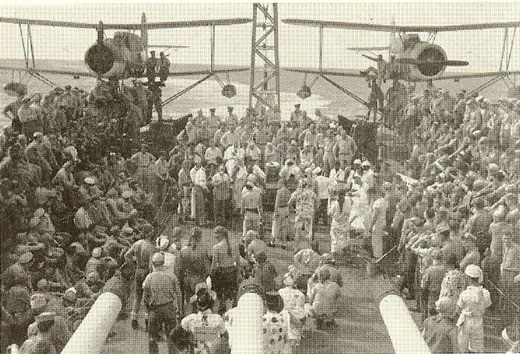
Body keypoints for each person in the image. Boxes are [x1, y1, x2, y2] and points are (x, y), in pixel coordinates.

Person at [143, 252, 182, 354]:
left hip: (155, 309)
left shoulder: (149, 278)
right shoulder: (171, 276)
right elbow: (179, 294)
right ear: (163, 262)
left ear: (153, 263)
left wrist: (148, 310)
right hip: (169, 307)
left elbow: (145, 298)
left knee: (152, 338)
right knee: (172, 337)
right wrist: (180, 309)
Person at [124, 228, 156, 330]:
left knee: (137, 297)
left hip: (138, 270)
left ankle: (134, 318)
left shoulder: (137, 243)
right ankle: (147, 321)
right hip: (146, 271)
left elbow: (126, 255)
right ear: (150, 235)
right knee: (147, 297)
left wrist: (133, 265)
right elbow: (151, 265)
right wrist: (151, 276)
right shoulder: (150, 247)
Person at [456, 264, 492, 353]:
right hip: (478, 321)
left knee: (461, 345)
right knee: (477, 347)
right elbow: (487, 307)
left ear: (468, 278)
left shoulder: (465, 293)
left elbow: (457, 310)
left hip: (465, 321)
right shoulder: (485, 293)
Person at [210, 226, 237, 314]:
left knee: (218, 298)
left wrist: (211, 274)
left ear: (220, 235)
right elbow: (238, 262)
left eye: (215, 234)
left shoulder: (216, 247)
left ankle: (214, 317)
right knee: (229, 299)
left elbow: (214, 264)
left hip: (222, 274)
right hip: (232, 273)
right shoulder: (234, 245)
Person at [278, 272, 306, 350]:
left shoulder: (280, 292)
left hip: (284, 318)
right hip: (296, 319)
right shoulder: (301, 294)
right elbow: (301, 312)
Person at [328, 189, 352, 261]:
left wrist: (329, 202)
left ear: (337, 195)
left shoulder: (335, 203)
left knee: (335, 240)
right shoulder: (347, 202)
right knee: (345, 241)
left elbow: (329, 213)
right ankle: (348, 259)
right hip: (345, 224)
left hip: (336, 224)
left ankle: (334, 259)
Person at [271, 179, 292, 248]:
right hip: (286, 209)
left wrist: (275, 212)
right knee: (284, 227)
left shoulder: (279, 192)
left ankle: (273, 241)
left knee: (275, 226)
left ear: (281, 183)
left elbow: (277, 203)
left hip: (279, 209)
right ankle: (284, 243)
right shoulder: (288, 192)